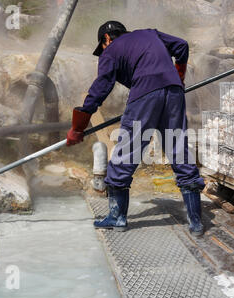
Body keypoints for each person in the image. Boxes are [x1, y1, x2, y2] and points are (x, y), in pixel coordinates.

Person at [66, 21, 206, 236]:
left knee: (126, 153)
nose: (103, 49)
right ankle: (196, 222)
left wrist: (78, 126)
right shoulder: (150, 33)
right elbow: (182, 46)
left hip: (145, 96)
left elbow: (102, 86)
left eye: (102, 45)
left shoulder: (110, 51)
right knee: (178, 149)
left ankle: (117, 217)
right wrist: (179, 76)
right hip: (174, 95)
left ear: (106, 39)